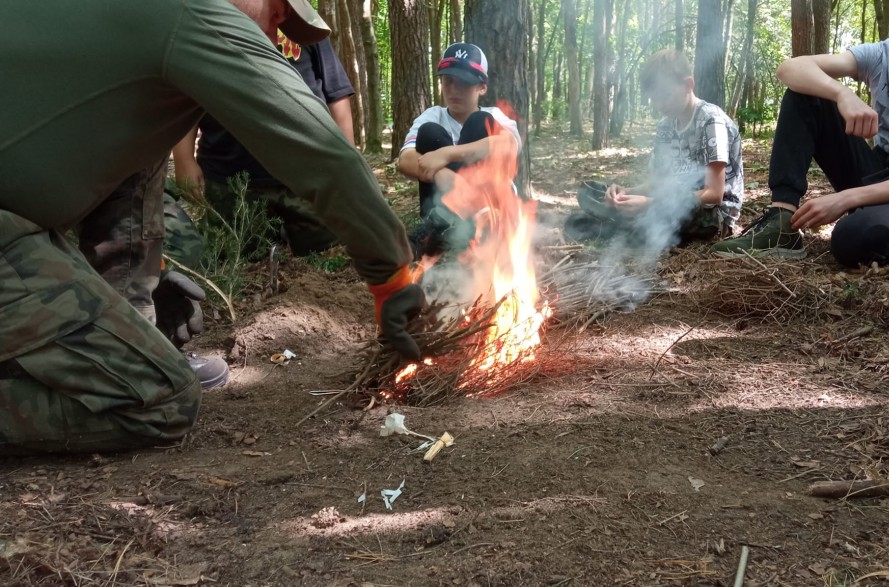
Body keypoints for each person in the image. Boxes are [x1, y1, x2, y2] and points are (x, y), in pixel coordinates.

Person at [0, 0, 423, 455]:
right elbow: (326, 153)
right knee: (159, 400)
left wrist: (130, 297)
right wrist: (392, 278)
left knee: (142, 162)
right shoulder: (192, 11)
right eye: (278, 7)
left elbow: (92, 163)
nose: (279, 25)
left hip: (19, 227)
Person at [711, 0, 889, 266]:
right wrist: (842, 94)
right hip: (879, 166)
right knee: (806, 94)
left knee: (851, 240)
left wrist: (845, 198)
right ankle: (782, 220)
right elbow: (790, 68)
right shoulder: (882, 55)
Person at [173, 31, 357, 257]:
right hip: (230, 178)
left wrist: (347, 160)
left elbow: (336, 95)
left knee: (329, 253)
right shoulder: (205, 23)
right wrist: (183, 159)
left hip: (308, 175)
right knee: (234, 259)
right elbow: (186, 96)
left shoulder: (300, 22)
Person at [565, 49, 744, 247]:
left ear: (688, 85)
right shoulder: (666, 126)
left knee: (657, 215)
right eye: (654, 99)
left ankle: (615, 227)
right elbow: (658, 183)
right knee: (592, 191)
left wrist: (650, 204)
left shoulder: (711, 121)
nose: (659, 105)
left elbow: (713, 194)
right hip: (668, 203)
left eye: (664, 96)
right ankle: (622, 221)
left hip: (711, 215)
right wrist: (625, 192)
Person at [397, 42, 522, 257]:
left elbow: (508, 145)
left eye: (464, 83)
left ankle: (478, 234)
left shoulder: (495, 115)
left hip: (489, 208)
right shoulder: (432, 115)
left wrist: (446, 154)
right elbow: (405, 160)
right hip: (442, 211)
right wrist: (443, 174)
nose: (454, 90)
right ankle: (438, 233)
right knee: (430, 133)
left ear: (482, 86)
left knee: (479, 122)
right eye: (449, 81)